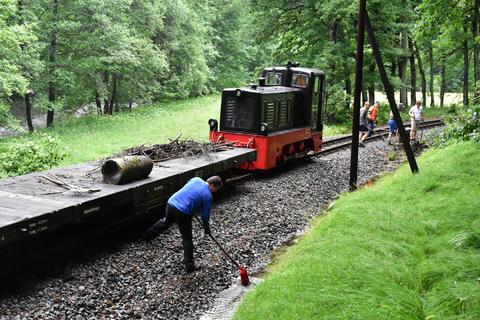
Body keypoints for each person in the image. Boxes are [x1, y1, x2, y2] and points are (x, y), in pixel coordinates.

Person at [141, 176, 223, 272]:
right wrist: (206, 228)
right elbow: (205, 216)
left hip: (171, 203)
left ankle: (146, 236)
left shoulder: (196, 179)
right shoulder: (208, 195)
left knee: (165, 222)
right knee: (187, 238)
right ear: (212, 185)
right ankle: (189, 265)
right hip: (182, 212)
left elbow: (189, 190)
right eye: (216, 188)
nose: (215, 191)